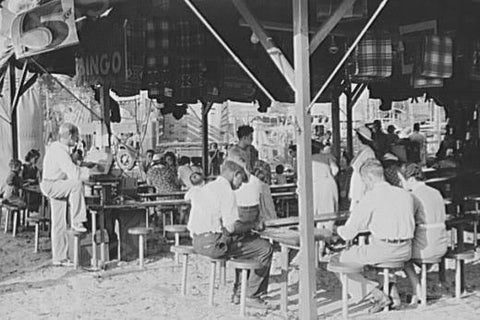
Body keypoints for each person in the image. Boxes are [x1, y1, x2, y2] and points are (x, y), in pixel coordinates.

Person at [187, 157, 273, 309]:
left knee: (245, 244)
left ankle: (238, 293)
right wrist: (254, 225)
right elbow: (232, 227)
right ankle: (253, 295)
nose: (240, 186)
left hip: (197, 241)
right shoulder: (227, 191)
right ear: (236, 174)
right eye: (241, 180)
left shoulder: (209, 186)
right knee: (264, 248)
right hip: (213, 244)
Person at [333, 159, 416, 313]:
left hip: (384, 250)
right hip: (406, 250)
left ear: (369, 178)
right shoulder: (404, 194)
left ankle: (376, 294)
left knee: (338, 261)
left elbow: (349, 233)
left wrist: (336, 230)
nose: (364, 185)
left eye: (364, 181)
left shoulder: (370, 197)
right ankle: (392, 293)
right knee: (372, 251)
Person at [40, 123, 96, 266]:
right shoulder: (60, 151)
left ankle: (59, 257)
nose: (77, 140)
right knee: (76, 185)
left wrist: (81, 165)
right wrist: (92, 173)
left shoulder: (57, 148)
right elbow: (74, 174)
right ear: (70, 136)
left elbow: (70, 168)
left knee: (58, 223)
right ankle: (77, 221)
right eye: (76, 137)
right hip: (53, 184)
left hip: (53, 183)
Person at [399, 163, 448, 304]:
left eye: (402, 181)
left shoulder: (412, 196)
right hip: (441, 243)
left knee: (402, 255)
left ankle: (417, 290)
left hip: (426, 246)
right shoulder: (435, 192)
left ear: (411, 179)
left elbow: (407, 221)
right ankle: (421, 286)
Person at [312, 141, 338, 231]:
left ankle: (320, 240)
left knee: (318, 213)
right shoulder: (328, 157)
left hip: (315, 186)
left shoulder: (307, 159)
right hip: (328, 184)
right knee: (329, 211)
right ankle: (328, 235)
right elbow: (335, 170)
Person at [349, 125, 376, 210]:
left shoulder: (368, 152)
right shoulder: (362, 151)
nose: (354, 139)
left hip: (362, 185)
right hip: (357, 184)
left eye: (356, 136)